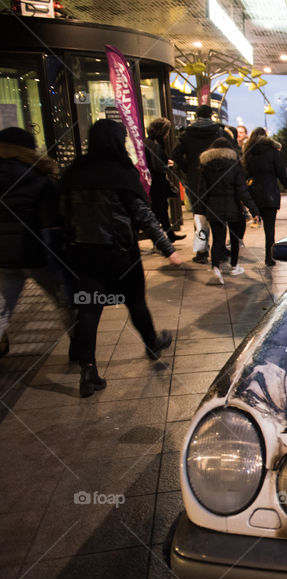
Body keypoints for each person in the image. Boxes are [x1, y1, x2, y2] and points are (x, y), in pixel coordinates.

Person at [60, 119, 183, 397]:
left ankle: (88, 370)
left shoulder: (74, 172)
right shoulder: (121, 171)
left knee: (89, 309)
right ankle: (152, 343)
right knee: (135, 302)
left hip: (83, 253)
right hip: (120, 254)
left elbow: (63, 214)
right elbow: (143, 215)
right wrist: (168, 249)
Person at [0, 127, 73, 357]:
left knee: (3, 308)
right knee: (64, 300)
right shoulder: (39, 176)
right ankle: (80, 347)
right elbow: (54, 220)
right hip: (39, 253)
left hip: (3, 257)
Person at [198, 138, 260, 284]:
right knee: (234, 239)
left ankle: (215, 267)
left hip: (214, 207)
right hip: (233, 207)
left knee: (217, 239)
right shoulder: (234, 165)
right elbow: (242, 190)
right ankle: (234, 266)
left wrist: (201, 210)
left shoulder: (206, 166)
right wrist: (254, 210)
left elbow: (202, 191)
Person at [172, 104, 228, 264]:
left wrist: (188, 169)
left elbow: (175, 154)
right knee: (218, 215)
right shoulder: (219, 132)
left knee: (199, 216)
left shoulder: (186, 134)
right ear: (211, 116)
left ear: (197, 116)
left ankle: (202, 252)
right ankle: (220, 250)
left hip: (195, 180)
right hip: (216, 178)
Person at [242, 127, 287, 266]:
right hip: (270, 193)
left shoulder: (248, 152)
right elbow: (280, 171)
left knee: (256, 218)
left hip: (254, 192)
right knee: (269, 228)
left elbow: (245, 173)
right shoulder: (273, 152)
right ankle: (269, 257)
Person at [145, 117, 186, 244]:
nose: (168, 134)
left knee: (162, 209)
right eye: (167, 131)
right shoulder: (156, 144)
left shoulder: (148, 142)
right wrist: (169, 166)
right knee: (158, 210)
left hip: (153, 181)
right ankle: (159, 241)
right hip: (157, 182)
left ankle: (170, 235)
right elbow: (157, 165)